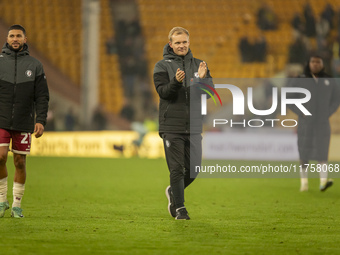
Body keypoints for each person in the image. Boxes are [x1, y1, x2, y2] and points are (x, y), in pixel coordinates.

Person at [153, 27, 213, 220]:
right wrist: (176, 82)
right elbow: (163, 93)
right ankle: (180, 209)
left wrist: (202, 80)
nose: (181, 45)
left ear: (189, 42)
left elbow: (210, 94)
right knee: (177, 169)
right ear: (170, 44)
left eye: (184, 42)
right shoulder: (161, 66)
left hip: (194, 126)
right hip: (171, 126)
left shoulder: (200, 65)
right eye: (177, 42)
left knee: (195, 169)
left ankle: (173, 192)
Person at [0, 25, 49, 218]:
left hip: (23, 120)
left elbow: (42, 96)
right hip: (1, 119)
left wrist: (41, 120)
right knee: (0, 157)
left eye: (18, 36)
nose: (15, 39)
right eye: (12, 35)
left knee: (20, 162)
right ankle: (2, 200)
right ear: (7, 38)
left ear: (25, 39)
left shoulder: (35, 65)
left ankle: (17, 205)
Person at [289, 55, 340, 192]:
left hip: (323, 123)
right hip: (305, 123)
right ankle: (304, 182)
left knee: (322, 152)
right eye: (313, 61)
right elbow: (289, 98)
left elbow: (336, 99)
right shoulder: (301, 80)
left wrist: (328, 112)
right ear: (309, 63)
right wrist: (301, 111)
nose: (315, 64)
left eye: (318, 62)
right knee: (304, 153)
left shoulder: (329, 80)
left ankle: (323, 182)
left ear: (322, 64)